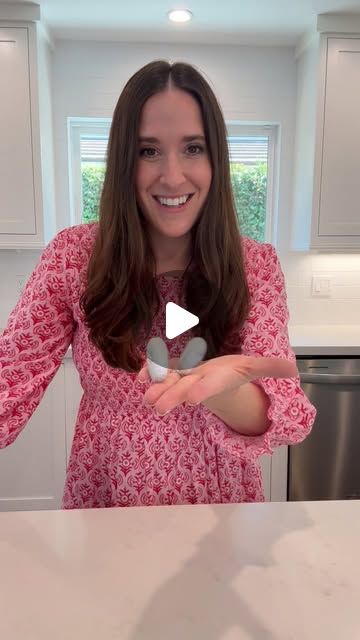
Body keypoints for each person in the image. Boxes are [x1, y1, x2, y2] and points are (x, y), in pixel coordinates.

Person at [0, 60, 316, 509]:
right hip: (108, 509)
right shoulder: (73, 258)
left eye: (193, 148)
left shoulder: (254, 266)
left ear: (217, 159)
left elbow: (281, 415)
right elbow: (7, 387)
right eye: (148, 151)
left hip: (217, 517)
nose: (171, 175)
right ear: (124, 161)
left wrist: (221, 391)